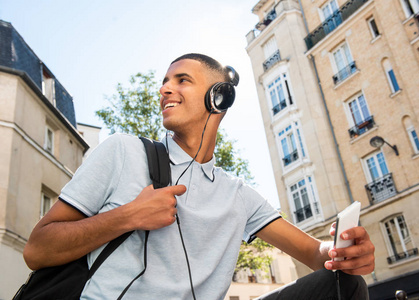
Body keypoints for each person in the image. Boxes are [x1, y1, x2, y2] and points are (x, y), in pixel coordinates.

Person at [23, 53, 375, 299]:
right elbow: (37, 250)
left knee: (345, 284)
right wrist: (128, 216)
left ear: (218, 98)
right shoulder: (122, 150)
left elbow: (315, 255)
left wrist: (343, 251)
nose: (164, 89)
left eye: (182, 80)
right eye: (164, 82)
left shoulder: (237, 194)